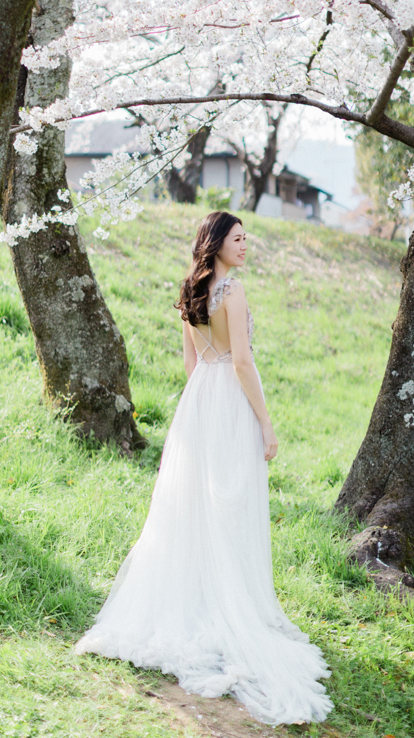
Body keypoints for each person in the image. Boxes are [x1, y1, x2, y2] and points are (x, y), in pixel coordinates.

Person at [75, 211, 333, 726]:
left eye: (246, 238)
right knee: (229, 504)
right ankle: (225, 605)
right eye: (238, 238)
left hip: (199, 403)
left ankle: (196, 596)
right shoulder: (231, 291)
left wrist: (201, 401)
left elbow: (193, 363)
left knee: (194, 505)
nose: (245, 245)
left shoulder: (191, 288)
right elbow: (241, 362)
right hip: (231, 402)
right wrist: (265, 423)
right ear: (216, 243)